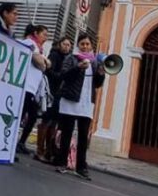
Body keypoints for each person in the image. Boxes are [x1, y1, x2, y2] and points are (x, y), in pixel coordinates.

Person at [54, 33, 106, 180]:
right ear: (78, 45)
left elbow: (97, 84)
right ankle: (62, 162)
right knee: (67, 133)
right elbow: (64, 75)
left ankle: (81, 167)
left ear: (91, 46)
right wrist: (77, 67)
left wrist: (101, 74)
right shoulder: (71, 58)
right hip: (70, 100)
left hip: (86, 102)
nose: (85, 46)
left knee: (83, 136)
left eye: (87, 44)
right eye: (82, 44)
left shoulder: (95, 62)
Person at [37, 36, 72, 163]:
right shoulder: (54, 55)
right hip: (50, 91)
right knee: (46, 120)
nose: (66, 47)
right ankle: (40, 150)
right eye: (64, 44)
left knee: (54, 123)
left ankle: (48, 151)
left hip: (59, 94)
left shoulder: (68, 58)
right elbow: (49, 71)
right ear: (59, 44)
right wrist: (60, 76)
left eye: (68, 45)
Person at [16, 24, 50, 155]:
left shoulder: (40, 49)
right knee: (22, 114)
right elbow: (40, 63)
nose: (46, 38)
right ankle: (14, 143)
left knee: (32, 116)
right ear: (36, 33)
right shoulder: (30, 42)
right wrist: (43, 62)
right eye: (44, 34)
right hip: (26, 86)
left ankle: (21, 142)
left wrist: (44, 62)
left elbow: (46, 64)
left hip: (33, 89)